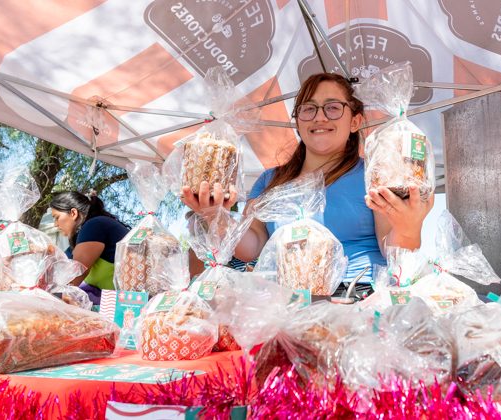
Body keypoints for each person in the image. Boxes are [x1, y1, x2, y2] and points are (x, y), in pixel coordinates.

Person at [182, 72, 433, 297]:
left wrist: (408, 228)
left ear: (355, 121)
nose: (320, 117)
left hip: (356, 296)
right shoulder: (270, 181)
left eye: (333, 108)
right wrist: (215, 216)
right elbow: (252, 248)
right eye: (308, 109)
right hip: (287, 300)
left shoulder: (375, 175)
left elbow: (394, 251)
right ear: (298, 122)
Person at [50, 191, 130, 304]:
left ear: (73, 213)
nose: (55, 224)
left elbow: (75, 274)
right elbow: (59, 268)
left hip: (125, 306)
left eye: (57, 217)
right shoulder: (81, 239)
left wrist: (49, 299)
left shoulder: (94, 226)